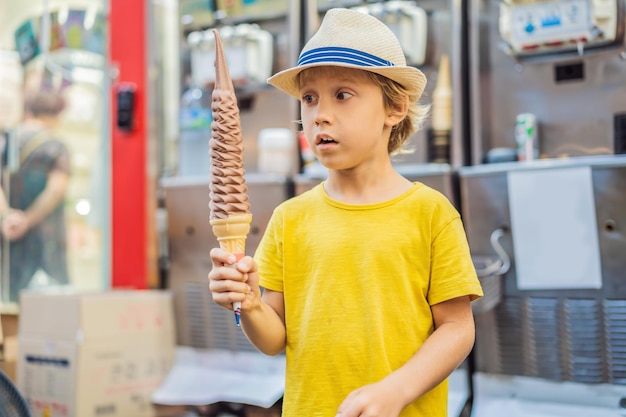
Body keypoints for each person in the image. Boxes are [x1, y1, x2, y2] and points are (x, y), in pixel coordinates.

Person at [209, 8, 483, 417]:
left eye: (342, 94)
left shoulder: (430, 213)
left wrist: (395, 391)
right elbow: (273, 339)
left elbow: (458, 329)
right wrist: (248, 304)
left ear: (395, 108)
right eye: (309, 98)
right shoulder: (290, 218)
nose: (319, 114)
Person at [0, 87, 71, 303]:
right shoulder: (55, 147)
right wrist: (27, 220)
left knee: (8, 297)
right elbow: (56, 189)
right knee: (46, 302)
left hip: (7, 234)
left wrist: (6, 217)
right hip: (43, 237)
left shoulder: (7, 141)